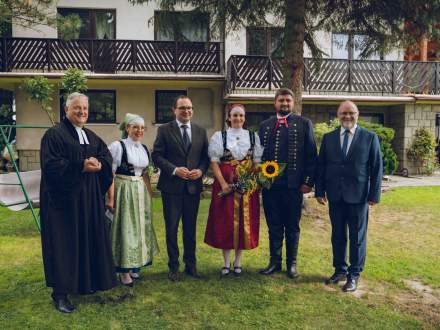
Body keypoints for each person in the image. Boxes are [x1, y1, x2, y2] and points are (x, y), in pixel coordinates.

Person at [40, 92, 116, 313]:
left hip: (89, 200)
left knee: (86, 240)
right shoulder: (53, 135)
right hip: (63, 204)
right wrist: (80, 166)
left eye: (85, 108)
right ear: (66, 110)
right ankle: (60, 294)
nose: (82, 112)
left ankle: (84, 283)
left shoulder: (91, 136)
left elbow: (106, 157)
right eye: (77, 108)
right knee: (64, 245)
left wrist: (100, 165)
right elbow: (52, 165)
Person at [315, 100, 383, 292]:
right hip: (335, 196)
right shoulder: (329, 138)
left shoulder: (370, 137)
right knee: (337, 236)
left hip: (359, 196)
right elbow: (322, 166)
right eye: (343, 113)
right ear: (338, 116)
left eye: (351, 113)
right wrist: (319, 191)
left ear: (357, 115)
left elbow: (377, 167)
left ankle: (354, 274)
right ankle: (340, 270)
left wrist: (374, 194)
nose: (347, 116)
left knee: (357, 237)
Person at [258, 88, 317, 279]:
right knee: (273, 226)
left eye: (288, 101)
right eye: (281, 100)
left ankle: (292, 264)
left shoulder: (304, 123)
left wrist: (308, 182)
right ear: (275, 103)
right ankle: (274, 262)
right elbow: (259, 156)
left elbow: (311, 156)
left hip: (293, 187)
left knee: (292, 227)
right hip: (270, 187)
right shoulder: (265, 125)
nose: (284, 104)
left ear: (293, 103)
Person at [152, 95, 209, 281]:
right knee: (172, 229)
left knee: (190, 229)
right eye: (182, 108)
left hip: (193, 188)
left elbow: (205, 158)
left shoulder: (200, 131)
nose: (187, 111)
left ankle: (191, 266)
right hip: (172, 188)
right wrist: (175, 170)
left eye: (189, 108)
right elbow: (157, 156)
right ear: (174, 110)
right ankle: (173, 267)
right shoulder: (164, 130)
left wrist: (201, 171)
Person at [204, 104, 264, 277]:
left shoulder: (253, 137)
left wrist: (252, 181)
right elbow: (214, 162)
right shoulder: (219, 136)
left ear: (244, 118)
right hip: (225, 185)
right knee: (225, 221)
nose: (238, 118)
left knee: (244, 223)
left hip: (246, 188)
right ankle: (225, 262)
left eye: (241, 116)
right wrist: (222, 184)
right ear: (229, 117)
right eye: (234, 115)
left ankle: (238, 262)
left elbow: (257, 163)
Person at [106, 113, 159, 287]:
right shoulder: (118, 146)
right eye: (135, 127)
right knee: (125, 228)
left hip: (140, 192)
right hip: (123, 190)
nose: (139, 130)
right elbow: (110, 174)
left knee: (139, 229)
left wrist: (150, 195)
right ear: (127, 128)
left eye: (142, 128)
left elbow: (145, 174)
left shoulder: (144, 148)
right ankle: (123, 271)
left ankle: (135, 264)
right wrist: (111, 198)